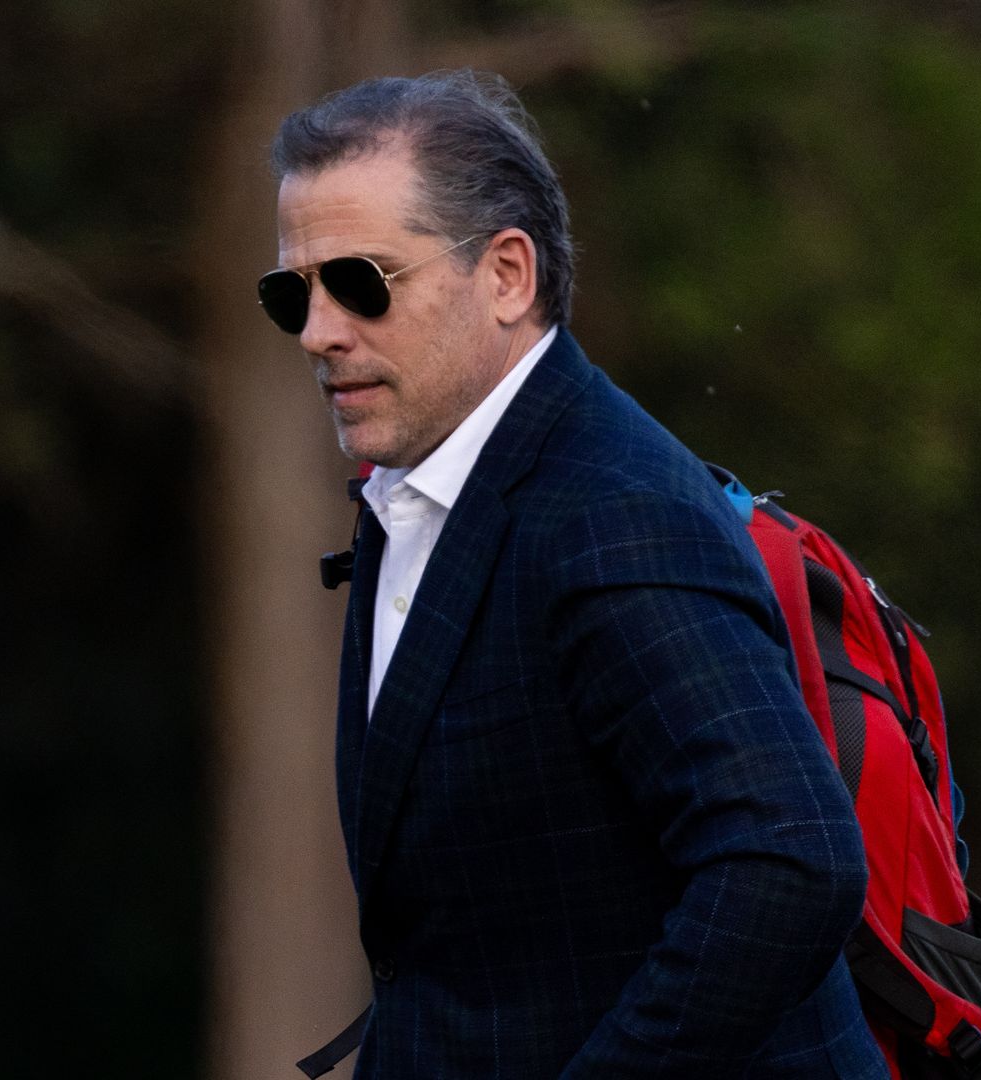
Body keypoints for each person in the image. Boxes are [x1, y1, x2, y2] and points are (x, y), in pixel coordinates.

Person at [260, 72, 885, 1077]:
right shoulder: (421, 490)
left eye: (363, 282)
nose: (319, 330)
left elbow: (790, 858)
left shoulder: (612, 511)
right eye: (294, 291)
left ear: (508, 274)